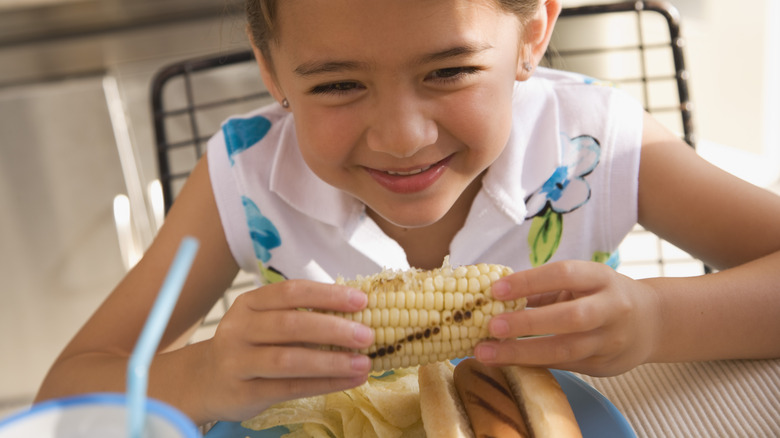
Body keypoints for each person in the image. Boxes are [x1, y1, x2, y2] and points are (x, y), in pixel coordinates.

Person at [35, 0, 780, 427]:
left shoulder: (597, 144)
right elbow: (65, 397)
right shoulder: (241, 178)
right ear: (271, 72)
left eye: (449, 71)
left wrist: (656, 320)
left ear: (532, 33)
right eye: (336, 86)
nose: (402, 136)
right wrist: (200, 377)